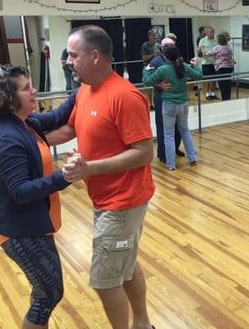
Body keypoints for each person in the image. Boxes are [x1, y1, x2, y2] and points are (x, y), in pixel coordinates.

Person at [56, 25, 156, 329]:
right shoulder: (86, 89)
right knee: (124, 266)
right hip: (104, 198)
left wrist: (90, 168)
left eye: (74, 55)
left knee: (103, 280)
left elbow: (144, 152)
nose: (69, 60)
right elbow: (71, 128)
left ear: (95, 55)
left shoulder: (125, 96)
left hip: (123, 203)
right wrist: (28, 138)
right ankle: (142, 323)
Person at [0, 64, 77, 328]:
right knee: (48, 294)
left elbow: (58, 116)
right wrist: (64, 176)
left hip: (33, 225)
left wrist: (83, 88)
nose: (34, 91)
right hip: (21, 232)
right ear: (9, 99)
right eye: (26, 89)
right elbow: (20, 191)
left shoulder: (24, 122)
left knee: (45, 292)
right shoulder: (6, 137)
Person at [143, 44, 202, 170]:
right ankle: (192, 157)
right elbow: (199, 75)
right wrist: (196, 64)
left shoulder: (163, 69)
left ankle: (171, 164)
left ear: (165, 56)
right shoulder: (183, 66)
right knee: (185, 130)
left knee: (168, 134)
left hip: (169, 105)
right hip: (184, 104)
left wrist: (145, 69)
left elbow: (147, 81)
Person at [149, 37, 185, 162]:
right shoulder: (155, 61)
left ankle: (174, 148)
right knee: (162, 126)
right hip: (161, 97)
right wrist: (159, 84)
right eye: (167, 45)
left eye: (172, 45)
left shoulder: (179, 61)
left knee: (178, 125)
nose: (170, 47)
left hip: (177, 98)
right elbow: (148, 79)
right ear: (162, 48)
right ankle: (163, 153)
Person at [204, 31, 234, 101]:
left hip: (221, 68)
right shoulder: (228, 47)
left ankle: (224, 99)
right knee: (227, 83)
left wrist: (203, 50)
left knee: (222, 85)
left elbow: (208, 54)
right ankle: (227, 98)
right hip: (229, 67)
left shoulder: (217, 48)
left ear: (219, 40)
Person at [140, 29, 160, 110]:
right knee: (148, 86)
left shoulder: (159, 45)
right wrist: (153, 55)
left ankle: (156, 103)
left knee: (157, 85)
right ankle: (150, 104)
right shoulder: (145, 45)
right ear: (149, 36)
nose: (155, 37)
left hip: (157, 67)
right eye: (153, 35)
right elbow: (144, 57)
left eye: (156, 35)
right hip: (148, 67)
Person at [198, 26, 218, 100]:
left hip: (215, 63)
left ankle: (213, 93)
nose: (212, 33)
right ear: (206, 32)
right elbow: (199, 50)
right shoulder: (202, 40)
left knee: (214, 79)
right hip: (206, 63)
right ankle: (207, 94)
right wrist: (201, 51)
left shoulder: (216, 41)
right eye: (211, 32)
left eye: (213, 32)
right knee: (207, 79)